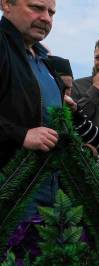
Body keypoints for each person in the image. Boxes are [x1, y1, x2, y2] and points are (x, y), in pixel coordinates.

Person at [0, 0, 64, 217]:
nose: (46, 18)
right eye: (36, 8)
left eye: (51, 12)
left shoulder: (45, 61)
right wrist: (21, 134)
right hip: (10, 195)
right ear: (6, 5)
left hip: (48, 190)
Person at [46, 55, 99, 152]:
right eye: (63, 87)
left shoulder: (71, 110)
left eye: (69, 88)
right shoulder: (36, 111)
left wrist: (76, 114)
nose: (67, 93)